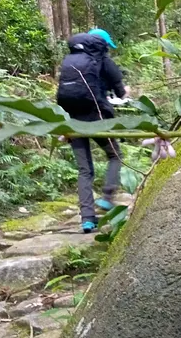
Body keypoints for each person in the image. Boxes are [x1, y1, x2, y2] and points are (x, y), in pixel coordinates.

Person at [55, 29, 129, 233]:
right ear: (101, 44)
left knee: (84, 170)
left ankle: (87, 219)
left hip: (74, 120)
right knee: (115, 155)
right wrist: (124, 93)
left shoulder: (71, 61)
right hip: (98, 118)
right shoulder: (103, 60)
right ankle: (107, 196)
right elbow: (121, 92)